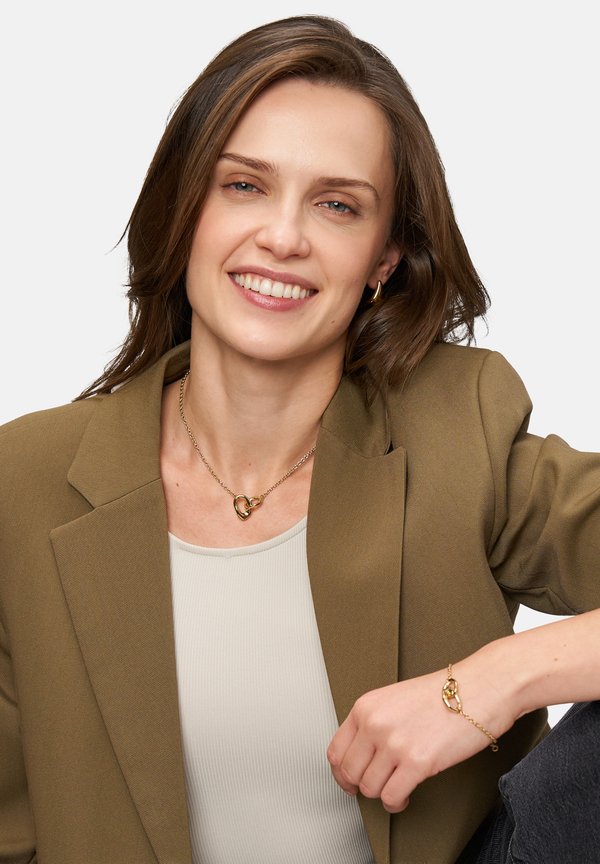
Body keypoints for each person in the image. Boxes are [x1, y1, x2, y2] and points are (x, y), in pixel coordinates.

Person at [0, 14, 598, 864]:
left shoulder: (460, 428)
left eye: (337, 205)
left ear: (384, 258)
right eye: (244, 185)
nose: (283, 237)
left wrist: (494, 683)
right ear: (186, 208)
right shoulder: (24, 482)